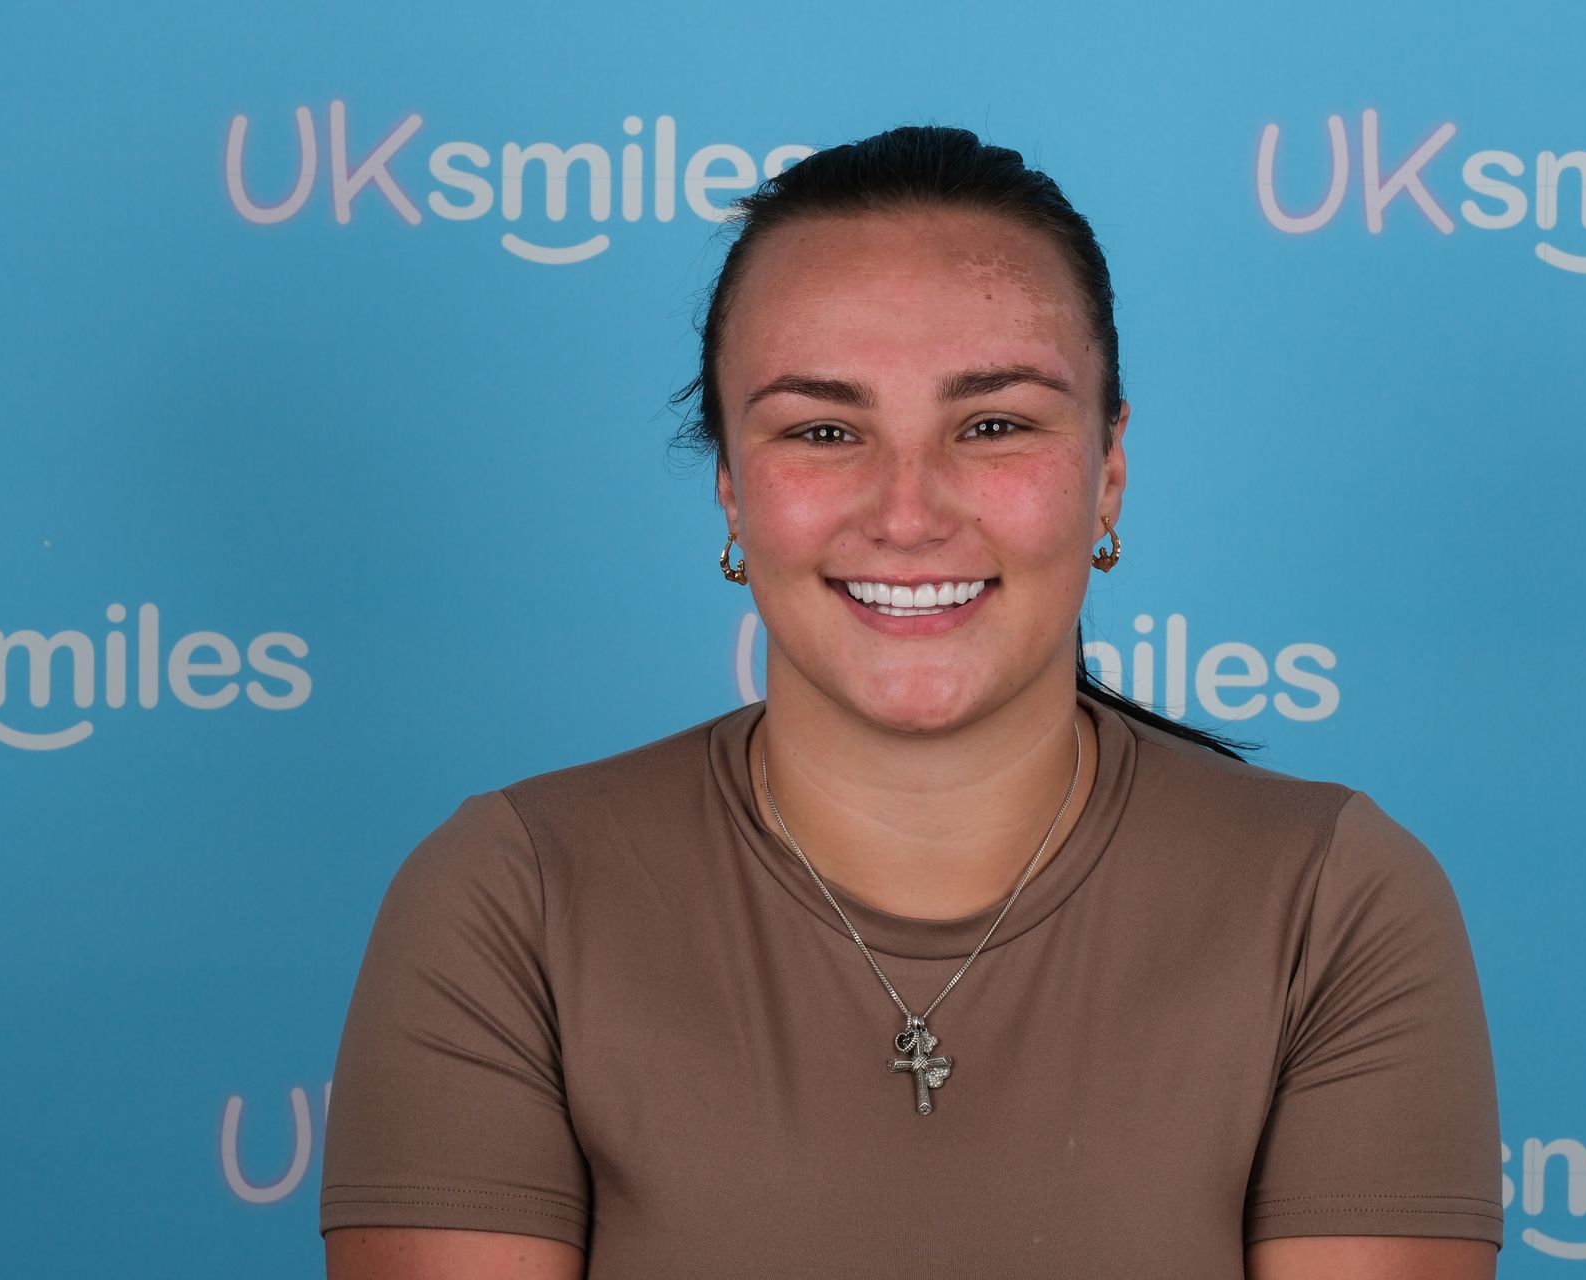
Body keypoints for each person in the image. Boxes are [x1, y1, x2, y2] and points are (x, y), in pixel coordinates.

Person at [318, 124, 1503, 1279]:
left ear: (1110, 471)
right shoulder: (509, 899)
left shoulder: (1333, 904)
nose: (908, 507)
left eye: (992, 424)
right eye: (824, 429)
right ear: (733, 487)